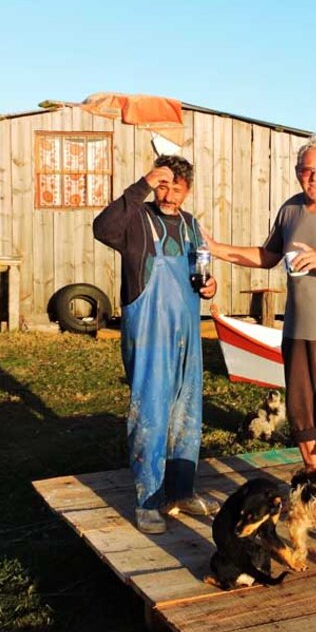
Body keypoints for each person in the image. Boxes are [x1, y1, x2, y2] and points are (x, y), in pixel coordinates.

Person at [203, 135, 316, 471]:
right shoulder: (290, 210)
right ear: (297, 172)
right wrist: (217, 248)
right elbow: (268, 256)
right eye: (307, 170)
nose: (314, 177)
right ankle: (314, 478)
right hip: (300, 330)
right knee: (301, 410)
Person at [93, 155, 220, 535]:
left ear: (187, 190)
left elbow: (201, 272)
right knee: (150, 413)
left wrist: (210, 287)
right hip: (149, 335)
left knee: (187, 414)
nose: (168, 194)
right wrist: (142, 183)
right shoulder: (134, 221)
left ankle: (180, 491)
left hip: (186, 335)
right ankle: (148, 499)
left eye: (176, 188)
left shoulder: (191, 225)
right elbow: (102, 227)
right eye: (163, 185)